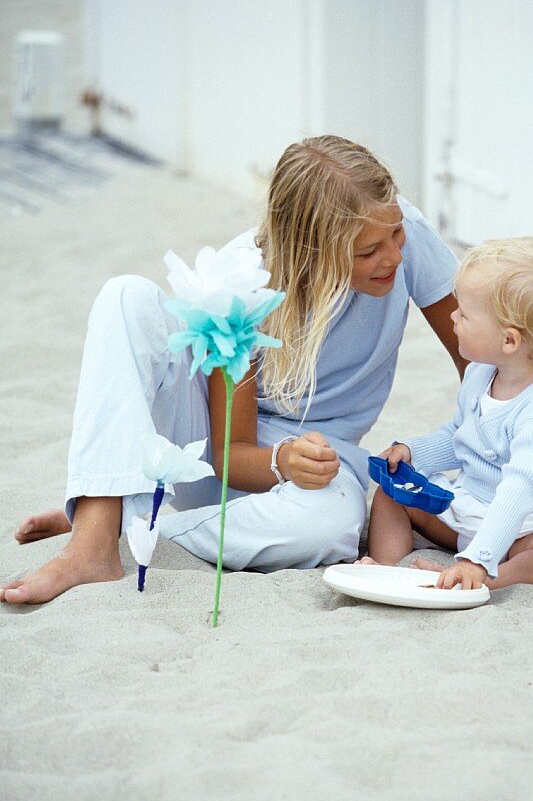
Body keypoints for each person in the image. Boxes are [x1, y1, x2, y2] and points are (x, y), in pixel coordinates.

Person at [1, 136, 463, 606]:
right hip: (208, 453)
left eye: (396, 236)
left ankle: (128, 516)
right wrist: (282, 461)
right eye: (368, 252)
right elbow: (228, 455)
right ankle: (93, 541)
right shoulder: (241, 279)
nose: (394, 256)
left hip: (326, 467)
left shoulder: (396, 225)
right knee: (126, 296)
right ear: (310, 251)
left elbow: (484, 368)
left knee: (330, 525)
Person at [360, 237, 533, 590]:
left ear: (509, 340)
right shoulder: (481, 373)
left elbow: (520, 491)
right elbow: (460, 435)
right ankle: (387, 571)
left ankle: (487, 578)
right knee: (391, 493)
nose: (452, 316)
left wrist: (476, 561)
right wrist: (413, 452)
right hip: (478, 506)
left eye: (464, 313)